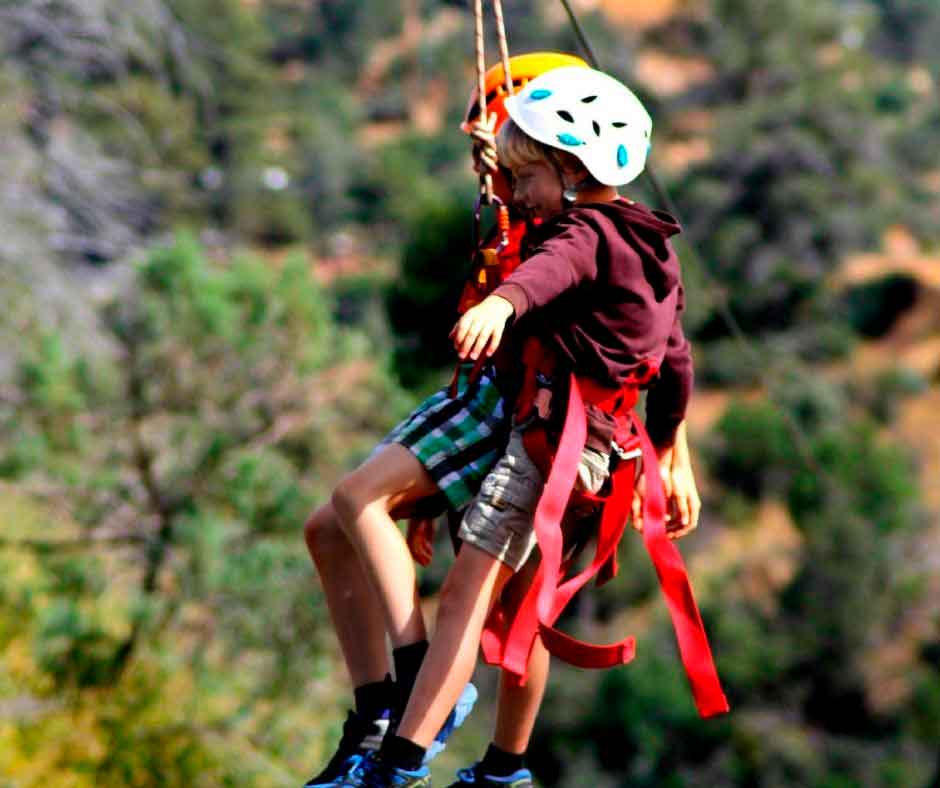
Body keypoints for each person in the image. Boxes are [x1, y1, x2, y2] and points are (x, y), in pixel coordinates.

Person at [337, 67, 718, 788]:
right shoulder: (651, 245)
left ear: (573, 172)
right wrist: (668, 447)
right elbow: (675, 360)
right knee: (516, 615)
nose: (516, 194)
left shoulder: (584, 233)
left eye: (527, 176)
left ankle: (398, 765)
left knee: (464, 599)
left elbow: (549, 267)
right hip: (600, 455)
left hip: (553, 449)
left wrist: (501, 305)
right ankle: (503, 771)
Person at [300, 53, 591, 788]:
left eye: (495, 138)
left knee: (513, 601)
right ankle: (380, 715)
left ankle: (439, 715)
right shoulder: (513, 207)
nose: (486, 155)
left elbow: (556, 278)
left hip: (528, 409)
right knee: (331, 525)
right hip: (489, 391)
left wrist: (673, 443)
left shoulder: (564, 221)